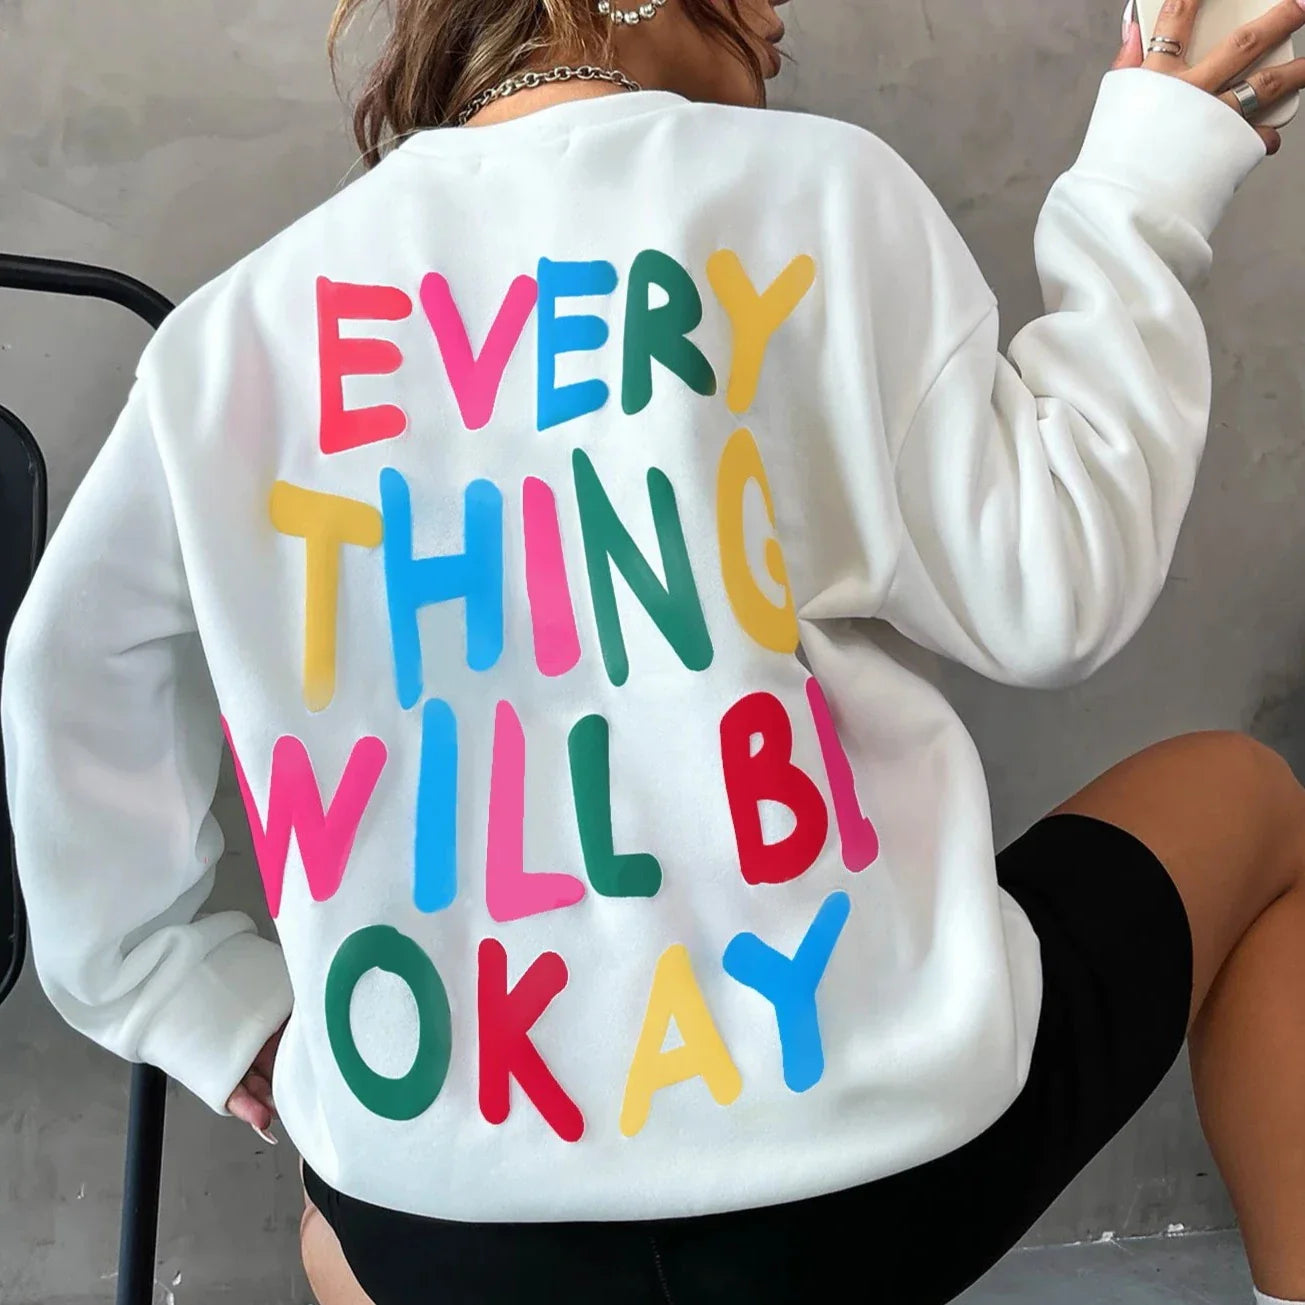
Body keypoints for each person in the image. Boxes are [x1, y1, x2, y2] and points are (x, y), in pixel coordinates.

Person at [5, 0, 1305, 1301]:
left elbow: (71, 683)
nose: (777, 19)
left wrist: (192, 995)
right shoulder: (815, 195)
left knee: (339, 1226)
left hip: (448, 1228)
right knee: (1255, 802)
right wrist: (1139, 196)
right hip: (858, 1174)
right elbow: (1050, 588)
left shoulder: (236, 333)